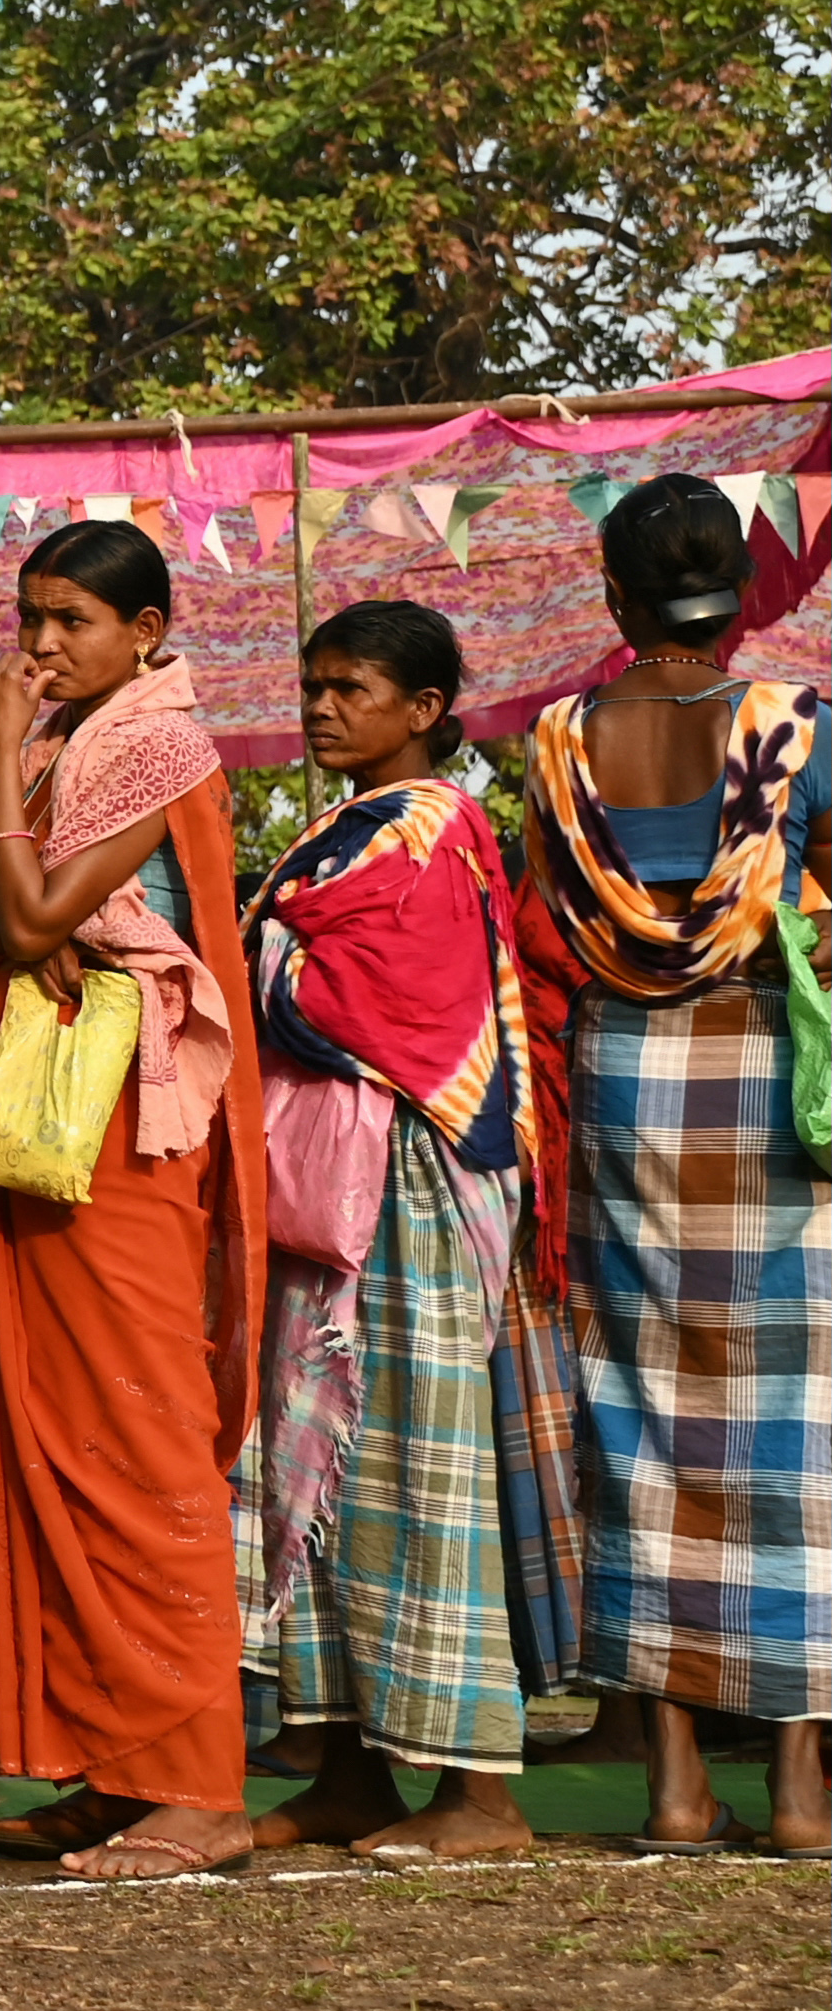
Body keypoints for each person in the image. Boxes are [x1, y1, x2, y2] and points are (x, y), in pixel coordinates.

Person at [0, 521, 263, 1879]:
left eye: (72, 620)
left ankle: (197, 1785)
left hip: (125, 1134)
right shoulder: (73, 744)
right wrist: (10, 917)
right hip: (42, 1125)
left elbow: (20, 917)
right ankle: (108, 1765)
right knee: (44, 1449)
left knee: (138, 1447)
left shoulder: (153, 741)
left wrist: (0, 755)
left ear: (147, 630)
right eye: (32, 617)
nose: (42, 644)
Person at [513, 475, 828, 1852]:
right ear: (742, 593)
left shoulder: (557, 743)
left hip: (624, 1096)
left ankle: (676, 1781)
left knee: (639, 1427)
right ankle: (805, 1785)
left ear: (614, 599)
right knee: (794, 1434)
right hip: (769, 1090)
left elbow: (541, 919)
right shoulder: (796, 731)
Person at [242, 598, 538, 1862]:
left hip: (413, 1172)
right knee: (321, 1471)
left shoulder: (428, 828)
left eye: (350, 686)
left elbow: (377, 997)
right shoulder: (338, 827)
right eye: (312, 684)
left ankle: (480, 1794)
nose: (321, 706)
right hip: (337, 1183)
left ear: (421, 709)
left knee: (423, 1467)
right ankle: (349, 1763)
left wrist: (253, 951)